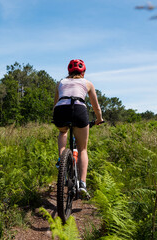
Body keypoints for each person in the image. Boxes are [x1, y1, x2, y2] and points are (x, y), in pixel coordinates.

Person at [53, 59, 103, 199]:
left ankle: (61, 157)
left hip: (60, 111)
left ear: (68, 71)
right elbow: (96, 107)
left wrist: (55, 117)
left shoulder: (61, 82)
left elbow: (56, 103)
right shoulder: (87, 83)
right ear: (83, 72)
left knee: (63, 131)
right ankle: (82, 184)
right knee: (82, 149)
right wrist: (99, 119)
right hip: (79, 110)